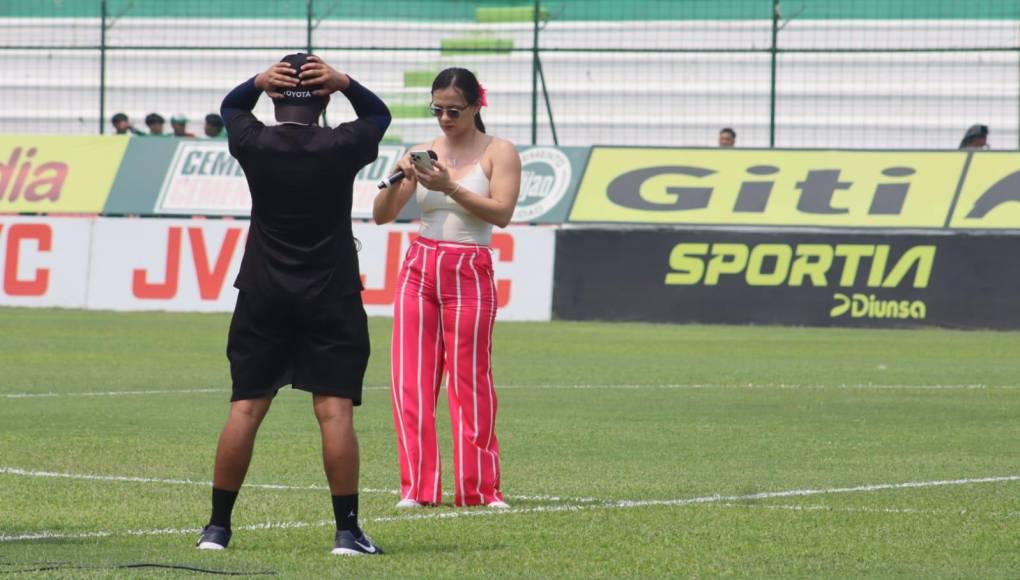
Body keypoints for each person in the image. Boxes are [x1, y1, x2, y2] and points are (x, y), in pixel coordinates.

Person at [196, 53, 390, 557]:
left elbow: (230, 106)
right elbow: (378, 116)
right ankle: (347, 533)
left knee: (245, 408)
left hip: (262, 290)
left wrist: (255, 82)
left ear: (274, 96)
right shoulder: (342, 144)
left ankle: (217, 529)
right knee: (334, 412)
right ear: (325, 99)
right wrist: (347, 82)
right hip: (332, 292)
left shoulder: (253, 141)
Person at [374, 68, 521, 510]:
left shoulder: (499, 151)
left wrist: (450, 186)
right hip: (421, 263)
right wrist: (400, 176)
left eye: (453, 110)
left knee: (470, 380)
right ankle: (417, 488)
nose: (443, 118)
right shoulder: (422, 152)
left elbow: (501, 213)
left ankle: (480, 489)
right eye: (436, 109)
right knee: (410, 380)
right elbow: (382, 214)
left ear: (477, 106)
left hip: (468, 264)